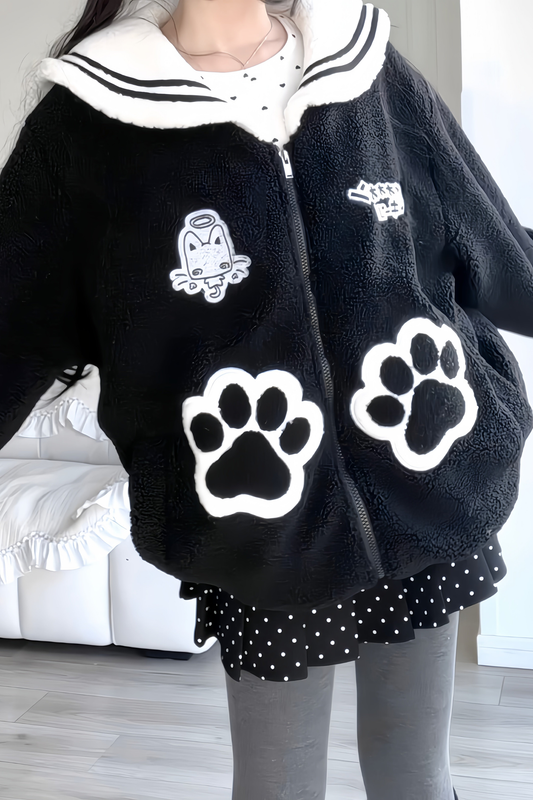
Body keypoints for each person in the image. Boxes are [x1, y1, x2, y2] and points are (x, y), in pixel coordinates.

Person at [2, 0, 532, 797]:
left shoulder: (362, 64)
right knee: (276, 787)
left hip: (428, 485)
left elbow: (490, 242)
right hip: (260, 528)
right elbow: (12, 322)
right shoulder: (87, 124)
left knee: (416, 780)